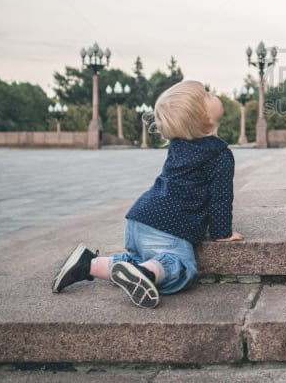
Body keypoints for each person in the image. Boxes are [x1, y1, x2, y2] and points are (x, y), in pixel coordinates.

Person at [51, 80, 244, 308]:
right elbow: (220, 199)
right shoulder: (220, 154)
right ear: (203, 117)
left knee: (143, 259)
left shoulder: (177, 145)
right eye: (206, 95)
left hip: (139, 220)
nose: (212, 92)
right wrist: (222, 233)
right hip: (168, 228)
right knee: (180, 266)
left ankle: (88, 264)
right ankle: (146, 273)